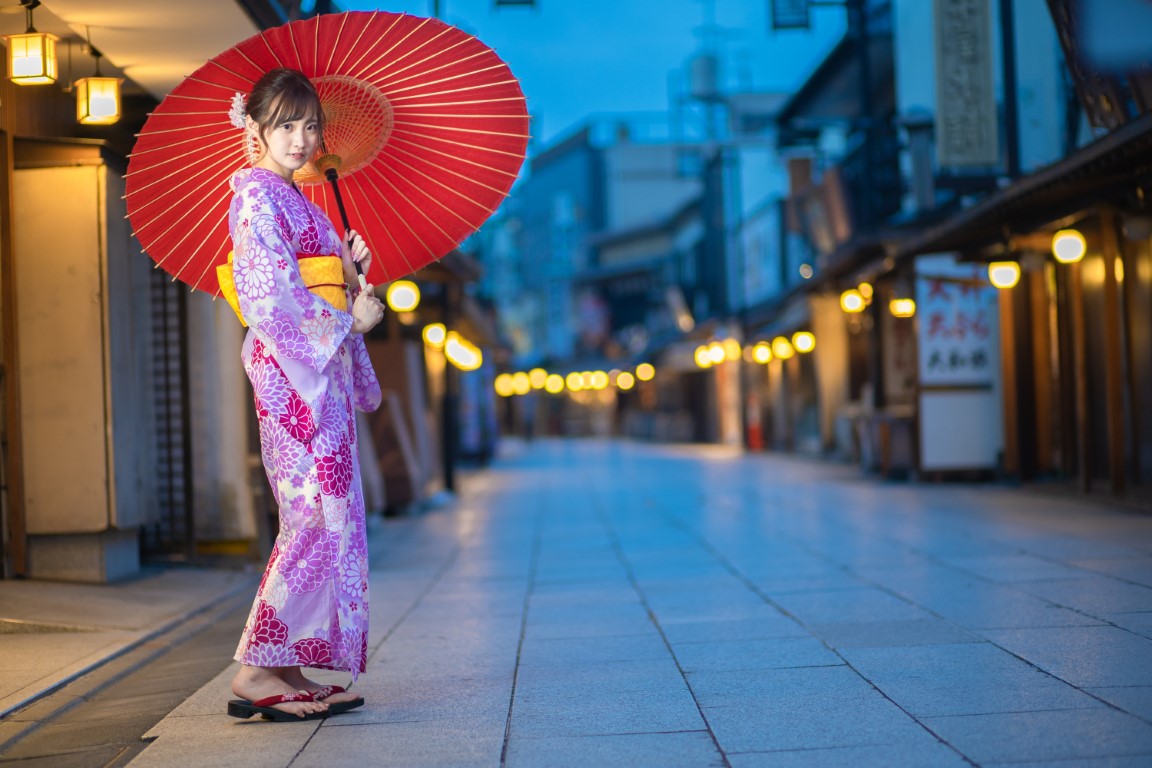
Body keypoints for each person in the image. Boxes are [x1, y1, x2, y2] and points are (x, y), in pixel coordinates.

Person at [223, 67, 385, 722]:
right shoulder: (257, 198)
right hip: (294, 377)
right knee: (312, 514)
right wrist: (349, 317)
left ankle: (286, 663)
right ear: (256, 129)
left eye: (310, 125)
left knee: (321, 513)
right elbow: (268, 298)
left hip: (320, 375)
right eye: (286, 126)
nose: (300, 139)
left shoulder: (298, 200)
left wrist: (351, 270)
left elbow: (317, 281)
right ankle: (257, 670)